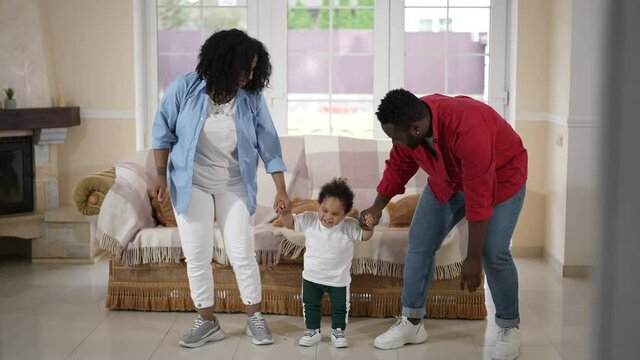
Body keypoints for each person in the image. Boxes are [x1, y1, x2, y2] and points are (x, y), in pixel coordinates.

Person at [360, 89, 527, 360]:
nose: (394, 142)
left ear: (415, 128)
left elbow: (479, 198)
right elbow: (398, 167)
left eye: (395, 137)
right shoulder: (411, 123)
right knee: (420, 242)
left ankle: (509, 327)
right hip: (448, 180)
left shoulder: (468, 128)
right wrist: (377, 207)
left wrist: (472, 258)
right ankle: (412, 323)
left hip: (500, 177)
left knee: (493, 252)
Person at [150, 29, 290, 348]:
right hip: (192, 183)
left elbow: (270, 146)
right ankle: (207, 321)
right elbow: (162, 134)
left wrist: (281, 189)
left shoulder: (251, 99)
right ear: (224, 62)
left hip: (235, 184)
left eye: (254, 69)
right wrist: (160, 176)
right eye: (245, 68)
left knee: (241, 252)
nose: (249, 76)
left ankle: (255, 318)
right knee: (197, 254)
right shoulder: (184, 88)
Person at [276, 178, 375, 348]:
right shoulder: (309, 219)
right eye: (324, 210)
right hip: (312, 278)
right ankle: (312, 331)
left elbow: (365, 237)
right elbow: (291, 224)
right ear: (319, 205)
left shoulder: (349, 226)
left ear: (346, 214)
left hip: (338, 280)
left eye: (336, 214)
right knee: (310, 304)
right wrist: (284, 213)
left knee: (340, 308)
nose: (328, 217)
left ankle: (338, 331)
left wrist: (370, 226)